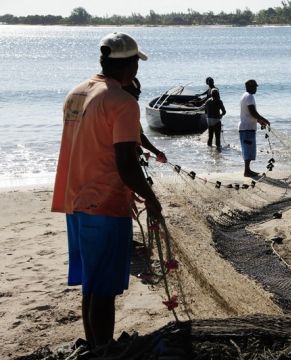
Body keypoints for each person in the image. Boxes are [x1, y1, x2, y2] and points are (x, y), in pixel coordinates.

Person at [51, 32, 163, 351]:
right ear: (128, 66)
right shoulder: (122, 102)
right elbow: (126, 163)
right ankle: (103, 350)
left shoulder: (76, 93)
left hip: (74, 201)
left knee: (92, 284)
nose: (136, 71)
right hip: (103, 205)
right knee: (103, 291)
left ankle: (95, 345)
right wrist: (151, 199)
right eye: (135, 64)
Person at [122, 77, 167, 162]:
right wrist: (157, 153)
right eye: (135, 88)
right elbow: (139, 136)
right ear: (125, 90)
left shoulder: (117, 105)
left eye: (139, 88)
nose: (139, 91)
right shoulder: (128, 108)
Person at [239, 79, 270, 177]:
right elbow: (253, 112)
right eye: (255, 87)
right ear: (250, 87)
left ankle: (247, 170)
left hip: (245, 127)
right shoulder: (249, 96)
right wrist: (264, 119)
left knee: (248, 149)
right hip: (247, 128)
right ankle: (247, 171)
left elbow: (249, 114)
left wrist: (259, 121)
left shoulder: (244, 96)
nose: (256, 88)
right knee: (248, 149)